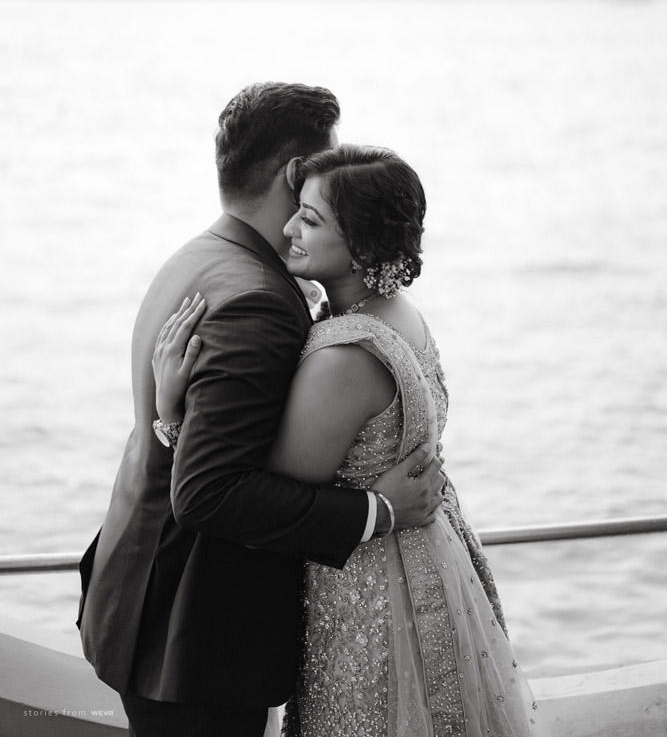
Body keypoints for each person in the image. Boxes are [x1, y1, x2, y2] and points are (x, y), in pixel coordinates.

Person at [77, 83, 444, 737]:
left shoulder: (201, 255)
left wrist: (171, 414)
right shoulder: (258, 301)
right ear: (292, 175)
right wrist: (378, 510)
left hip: (142, 595)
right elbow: (210, 492)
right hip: (193, 634)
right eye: (325, 167)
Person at [155, 144, 551, 737]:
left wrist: (173, 412)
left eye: (310, 219)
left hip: (369, 589)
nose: (288, 226)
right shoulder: (402, 314)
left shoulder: (343, 357)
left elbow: (266, 488)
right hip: (432, 559)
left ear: (363, 246)